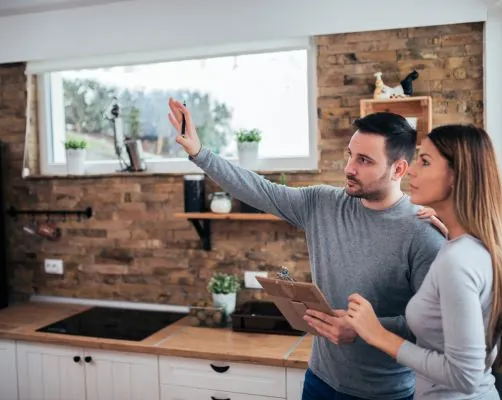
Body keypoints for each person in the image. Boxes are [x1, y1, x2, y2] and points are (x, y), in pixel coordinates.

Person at [168, 98, 447, 400]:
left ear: (399, 169)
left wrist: (365, 328)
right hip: (319, 382)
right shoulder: (321, 203)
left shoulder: (423, 234)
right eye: (350, 155)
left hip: (385, 394)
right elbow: (259, 190)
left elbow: (434, 326)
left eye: (364, 160)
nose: (349, 168)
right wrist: (199, 153)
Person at [345, 124, 502, 399]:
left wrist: (376, 334)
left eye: (425, 162)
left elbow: (464, 376)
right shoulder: (472, 247)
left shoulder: (459, 261)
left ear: (456, 176)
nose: (413, 170)